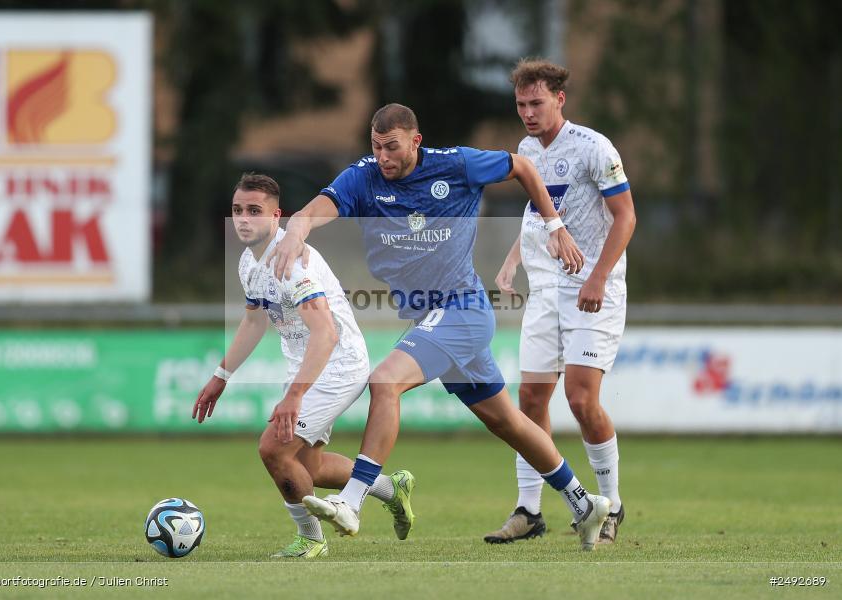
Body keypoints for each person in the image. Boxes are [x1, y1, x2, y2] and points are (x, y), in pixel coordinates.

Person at [268, 103, 611, 551]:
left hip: (463, 309)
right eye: (376, 147)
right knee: (509, 422)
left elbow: (523, 166)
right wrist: (297, 228)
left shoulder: (457, 164)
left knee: (385, 381)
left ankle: (352, 500)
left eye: (392, 147)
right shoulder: (365, 176)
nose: (384, 157)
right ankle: (583, 503)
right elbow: (318, 208)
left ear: (415, 141)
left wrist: (555, 226)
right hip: (432, 317)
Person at [192, 173, 416, 559]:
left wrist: (295, 394)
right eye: (237, 210)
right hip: (306, 364)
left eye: (254, 211)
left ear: (277, 216)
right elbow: (254, 320)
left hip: (338, 362)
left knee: (273, 450)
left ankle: (311, 538)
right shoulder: (249, 261)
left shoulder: (293, 263)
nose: (243, 219)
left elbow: (326, 334)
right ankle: (389, 489)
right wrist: (221, 375)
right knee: (307, 468)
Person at [485, 59, 636, 545]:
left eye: (537, 103)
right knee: (529, 400)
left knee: (580, 398)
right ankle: (529, 510)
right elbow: (542, 213)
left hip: (594, 291)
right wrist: (514, 258)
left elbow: (626, 217)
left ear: (560, 99)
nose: (528, 113)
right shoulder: (528, 149)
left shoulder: (595, 148)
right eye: (521, 104)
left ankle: (610, 506)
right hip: (546, 290)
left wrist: (597, 276)